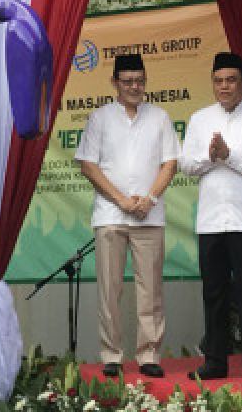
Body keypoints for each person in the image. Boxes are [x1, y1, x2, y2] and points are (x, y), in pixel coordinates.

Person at [75, 54, 179, 379]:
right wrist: (121, 199)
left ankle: (149, 355)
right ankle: (112, 356)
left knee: (151, 291)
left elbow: (170, 163)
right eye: (128, 81)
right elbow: (88, 165)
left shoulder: (160, 117)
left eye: (140, 81)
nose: (135, 87)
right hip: (110, 215)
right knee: (110, 289)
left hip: (150, 215)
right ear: (115, 82)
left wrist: (148, 198)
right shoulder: (99, 118)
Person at [180, 52, 242, 383]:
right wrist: (212, 157)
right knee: (214, 292)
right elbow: (187, 165)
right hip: (210, 221)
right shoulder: (199, 119)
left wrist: (229, 155)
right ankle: (215, 361)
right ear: (213, 83)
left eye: (231, 80)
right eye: (219, 80)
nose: (225, 86)